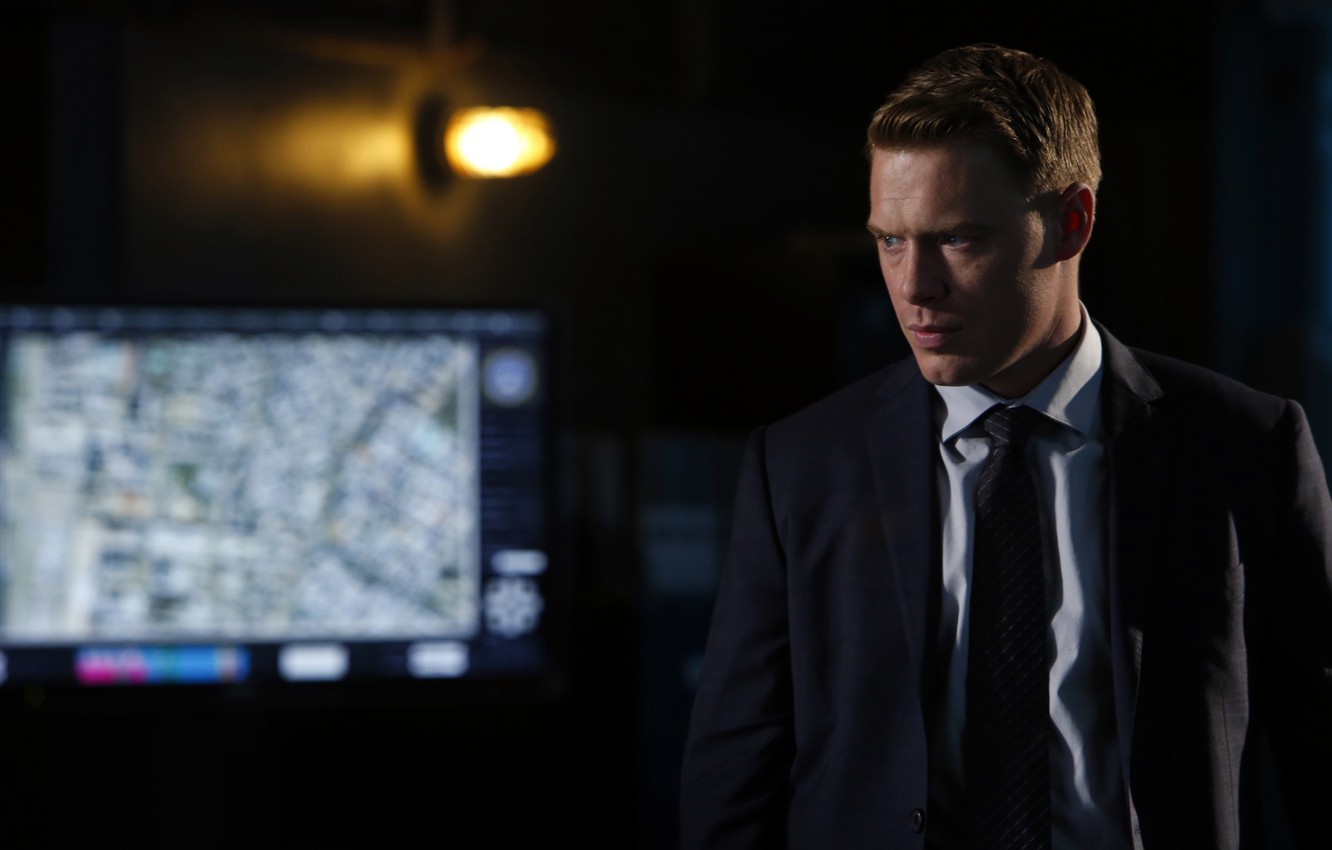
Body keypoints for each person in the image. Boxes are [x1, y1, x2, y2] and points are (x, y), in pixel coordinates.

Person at [679, 44, 1332, 850]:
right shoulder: (801, 466)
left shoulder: (1246, 447)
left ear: (1071, 223)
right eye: (890, 241)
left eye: (957, 240)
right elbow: (733, 775)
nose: (914, 287)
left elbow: (1319, 748)